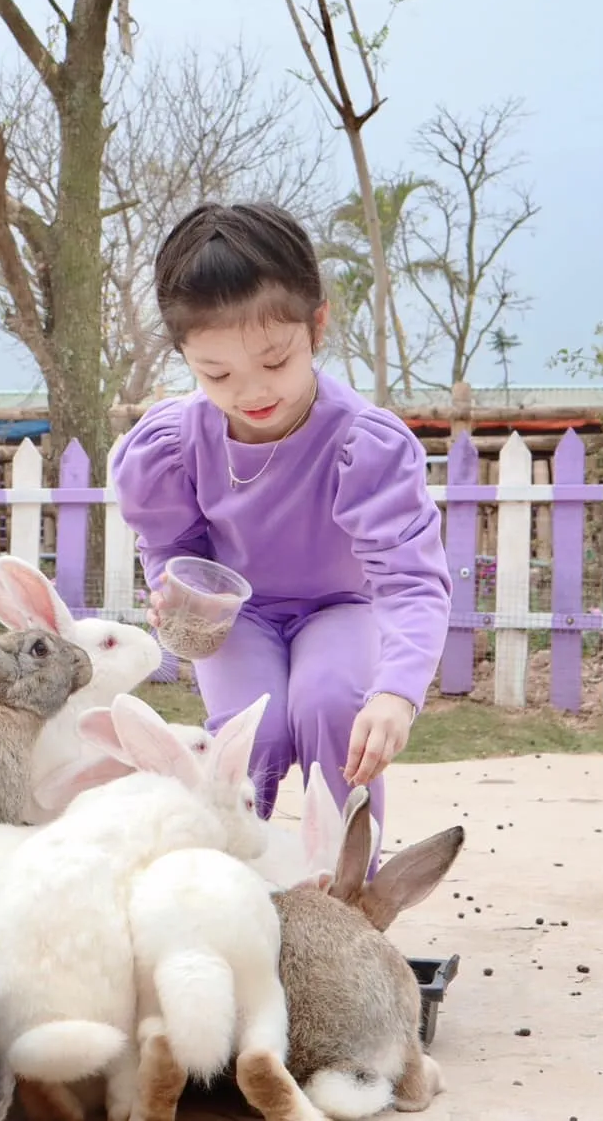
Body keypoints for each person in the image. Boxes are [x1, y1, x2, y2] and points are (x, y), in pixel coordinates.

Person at [110, 201, 453, 837]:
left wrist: (397, 691)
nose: (251, 392)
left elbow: (410, 580)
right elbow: (173, 546)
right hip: (237, 617)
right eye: (216, 373)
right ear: (185, 356)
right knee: (251, 734)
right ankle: (241, 891)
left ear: (316, 325)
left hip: (342, 608)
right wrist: (176, 593)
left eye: (275, 361)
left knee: (332, 706)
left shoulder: (363, 443)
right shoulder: (175, 442)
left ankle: (345, 896)